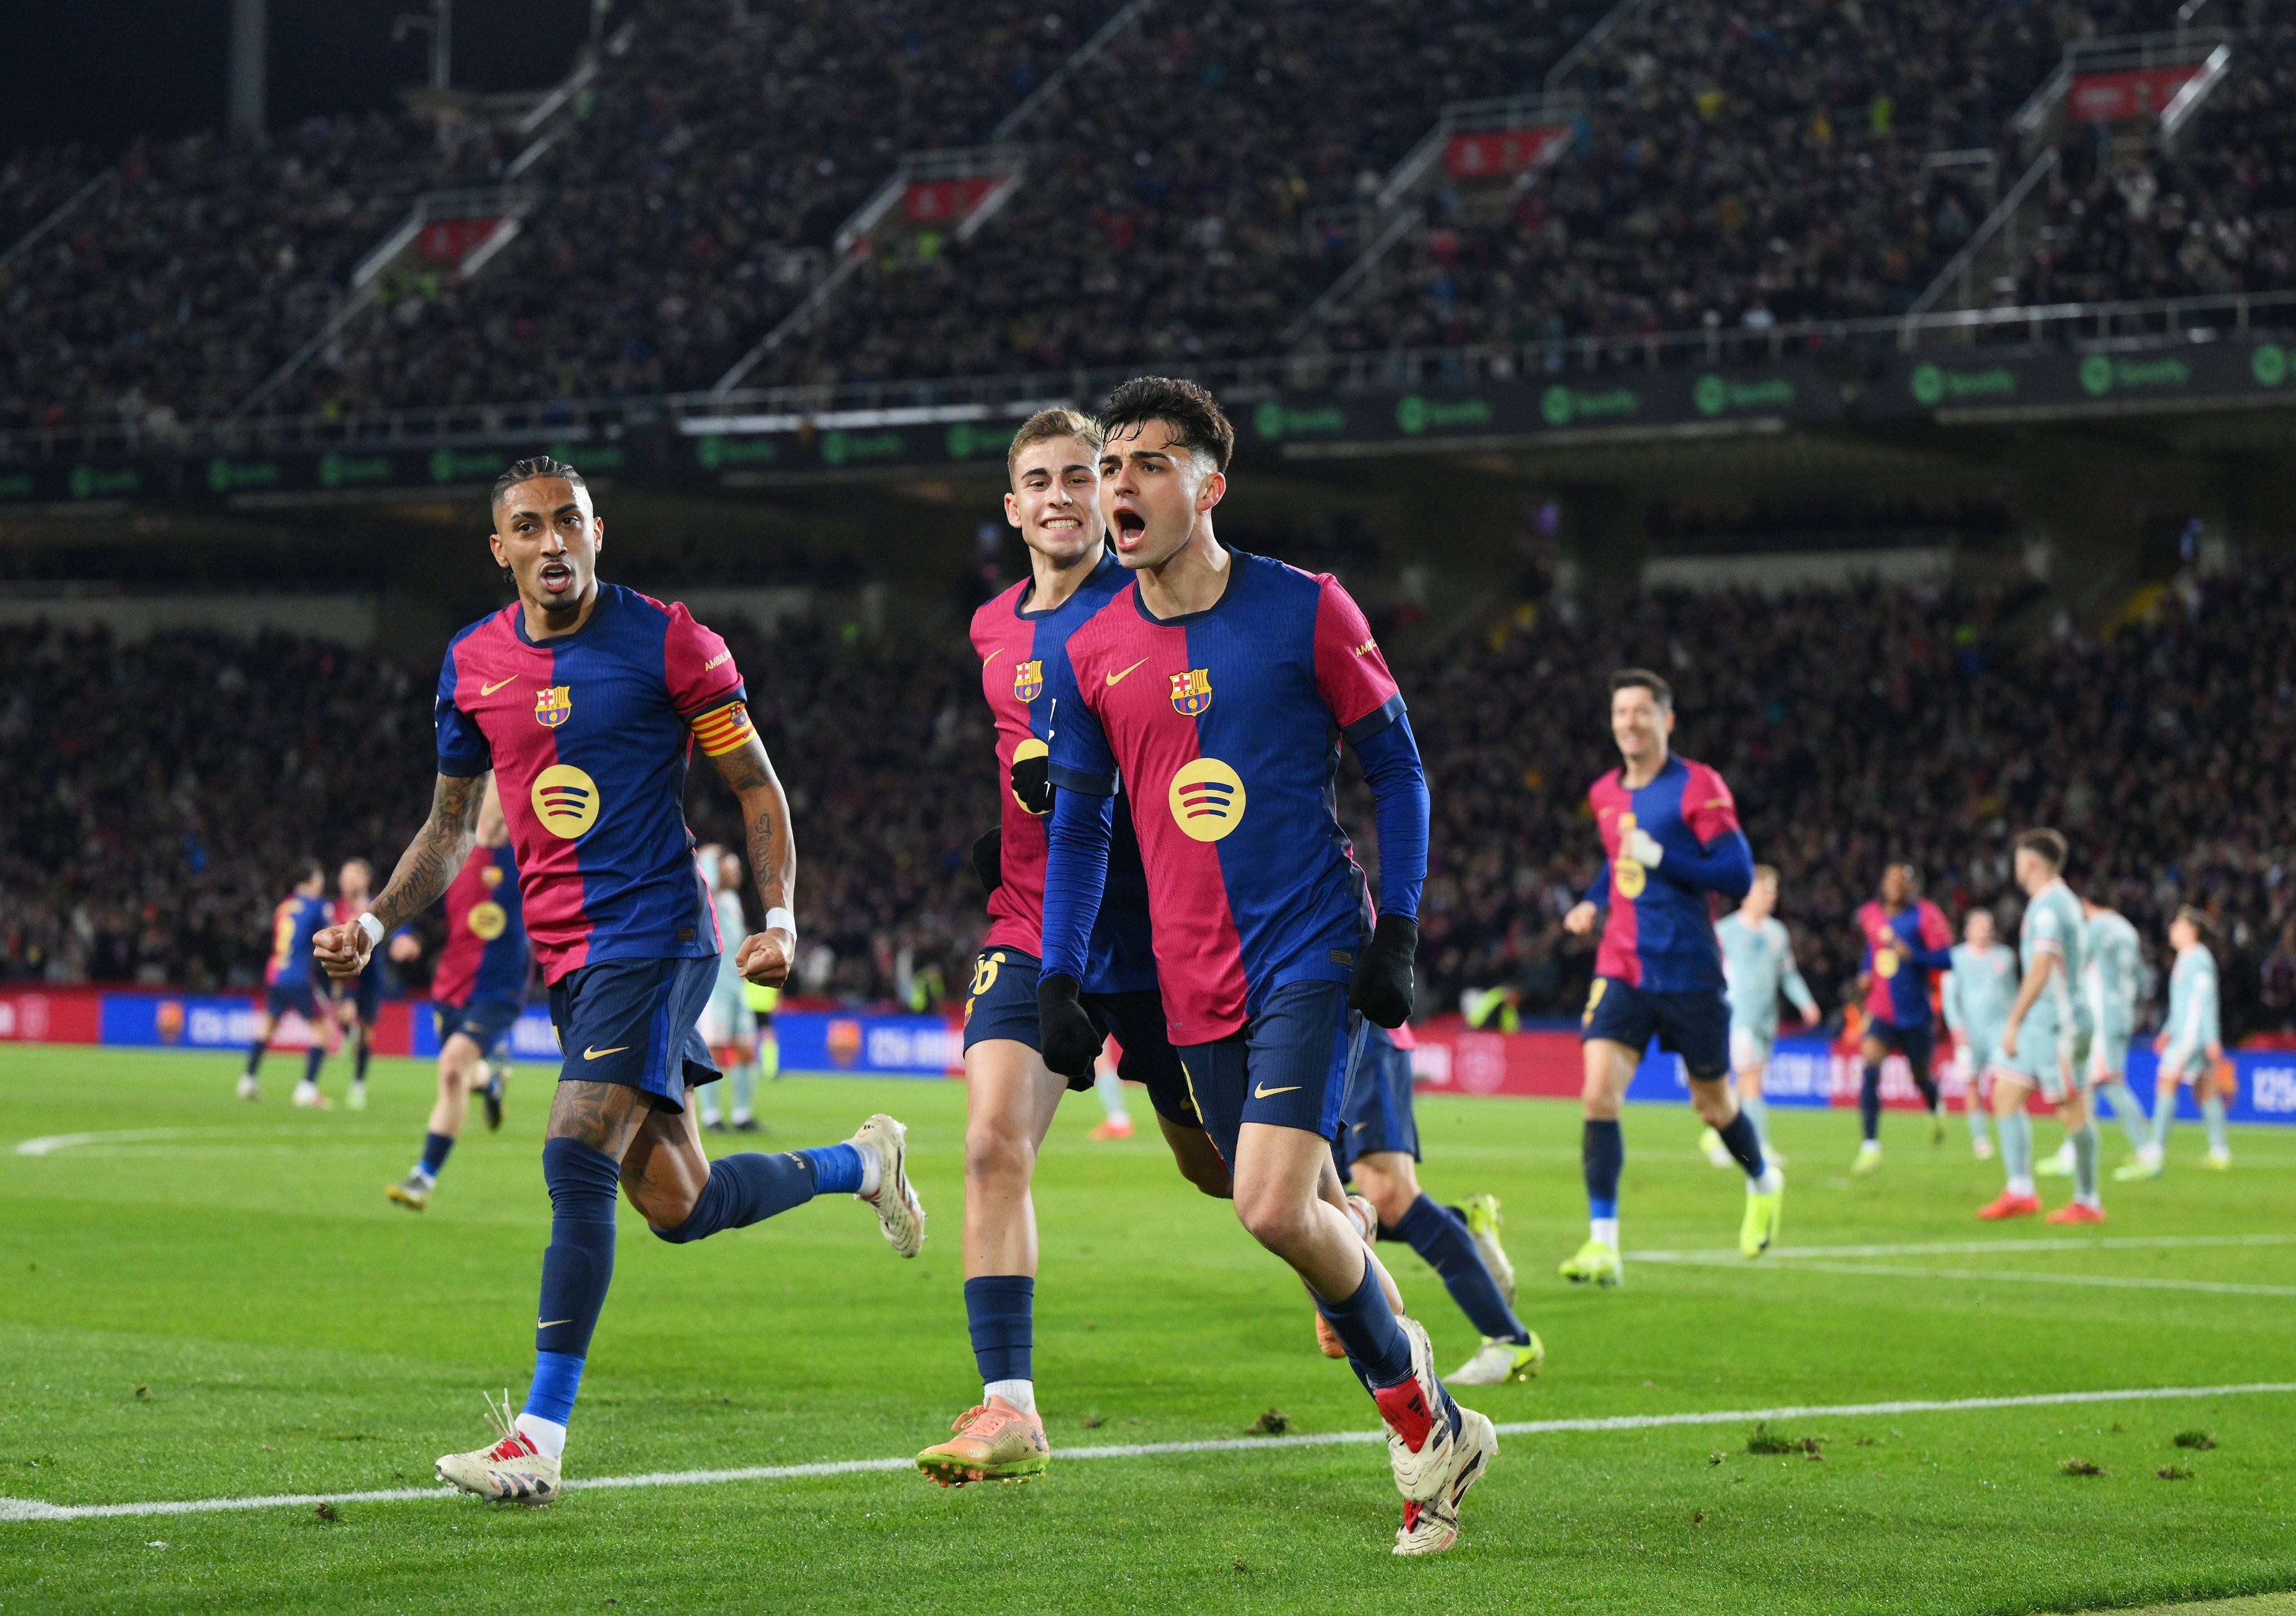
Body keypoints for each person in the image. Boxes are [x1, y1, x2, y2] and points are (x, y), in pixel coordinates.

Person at [314, 456, 925, 1504]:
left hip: (653, 933)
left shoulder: (670, 640)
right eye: (528, 526)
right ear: (499, 548)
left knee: (572, 1148)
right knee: (680, 1203)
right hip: (567, 956)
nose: (552, 540)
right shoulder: (471, 662)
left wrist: (779, 918)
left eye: (570, 520)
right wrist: (372, 924)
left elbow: (757, 787)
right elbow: (450, 827)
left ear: (600, 533)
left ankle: (538, 1436)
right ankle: (863, 1162)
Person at [1033, 378, 1493, 1557]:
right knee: (1313, 1216)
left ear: (1209, 486)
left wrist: (1397, 926)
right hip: (1190, 979)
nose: (1119, 483)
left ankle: (1425, 1425)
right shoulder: (1089, 651)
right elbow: (1077, 828)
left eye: (1147, 462)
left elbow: (1398, 769)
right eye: (1110, 463)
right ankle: (1426, 1401)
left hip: (1308, 946)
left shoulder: (1305, 608)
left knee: (1269, 1202)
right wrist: (1058, 975)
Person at [919, 409, 1389, 1490]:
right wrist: (1010, 833)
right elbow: (1032, 765)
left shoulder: (1146, 604)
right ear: (1011, 507)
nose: (1063, 497)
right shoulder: (991, 627)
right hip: (1037, 923)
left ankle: (1336, 1224)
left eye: (1080, 476)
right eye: (1040, 480)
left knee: (1222, 1173)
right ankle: (1009, 1404)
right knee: (992, 1143)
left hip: (1170, 934)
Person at [1561, 669, 1779, 1287]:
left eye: (1641, 711)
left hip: (1688, 970)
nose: (1629, 722)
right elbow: (1616, 864)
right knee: (1598, 1095)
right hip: (1622, 964)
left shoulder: (1697, 785)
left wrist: (1664, 858)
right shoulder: (1604, 793)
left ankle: (1763, 1182)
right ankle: (1603, 1244)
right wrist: (1593, 901)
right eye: (1620, 712)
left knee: (1714, 1106)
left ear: (1666, 720)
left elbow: (1736, 874)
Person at [1337, 1020, 1543, 1387]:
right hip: (1306, 1045)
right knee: (1302, 1199)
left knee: (1389, 1196)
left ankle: (1510, 1340)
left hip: (1359, 1030)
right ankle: (1461, 1221)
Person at [388, 775, 529, 1211]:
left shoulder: (531, 852)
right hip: (451, 986)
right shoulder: (454, 850)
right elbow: (414, 894)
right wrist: (402, 933)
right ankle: (491, 1083)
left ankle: (423, 1177)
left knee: (451, 1069)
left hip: (499, 990)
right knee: (464, 1073)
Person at [1978, 829, 2101, 1223]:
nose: (2014, 866)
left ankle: (2088, 1201)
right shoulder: (2053, 902)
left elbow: (2042, 966)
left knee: (2072, 1109)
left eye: (2018, 858)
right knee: (2005, 1094)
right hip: (2042, 1021)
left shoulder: (2050, 906)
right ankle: (2021, 1191)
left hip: (2060, 1024)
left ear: (2030, 862)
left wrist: (2014, 1019)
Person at [1712, 863, 1821, 1168]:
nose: (1771, 896)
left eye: (1773, 891)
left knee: (1745, 1085)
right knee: (1751, 1083)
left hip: (1767, 1020)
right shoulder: (1726, 931)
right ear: (1747, 891)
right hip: (1739, 1019)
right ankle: (1757, 1147)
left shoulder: (1777, 933)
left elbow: (1788, 974)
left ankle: (1724, 1142)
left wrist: (1806, 1003)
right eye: (1765, 890)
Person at [1847, 864, 1954, 1173]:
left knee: (1920, 1077)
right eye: (1891, 880)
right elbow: (1872, 948)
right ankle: (1870, 1147)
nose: (1896, 886)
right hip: (1881, 1012)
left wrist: (1914, 956)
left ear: (1912, 886)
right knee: (1870, 1069)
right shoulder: (1870, 914)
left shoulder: (1926, 915)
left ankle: (1934, 1105)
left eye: (1902, 881)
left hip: (1916, 1015)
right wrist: (1865, 972)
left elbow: (1947, 959)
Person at [2035, 896, 2150, 1175]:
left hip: (2100, 1016)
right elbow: (2141, 979)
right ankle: (2072, 1152)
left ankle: (2147, 1152)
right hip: (2122, 1013)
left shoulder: (2096, 928)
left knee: (2109, 1083)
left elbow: (2074, 963)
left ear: (2087, 905)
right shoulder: (2128, 931)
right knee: (2086, 1082)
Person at [2119, 906, 2228, 1178]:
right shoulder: (2188, 958)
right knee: (2205, 1090)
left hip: (2190, 1037)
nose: (2172, 930)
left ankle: (2154, 1150)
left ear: (2192, 931)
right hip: (2187, 1034)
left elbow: (2203, 1002)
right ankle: (2219, 1151)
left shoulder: (2197, 959)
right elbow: (2183, 1004)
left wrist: (2210, 1037)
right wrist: (2168, 1030)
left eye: (2177, 925)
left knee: (2166, 1083)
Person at [240, 858, 335, 1106]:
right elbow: (331, 934)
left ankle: (248, 1079)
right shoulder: (318, 905)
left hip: (275, 974)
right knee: (322, 1030)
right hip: (300, 976)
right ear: (311, 880)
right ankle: (307, 1089)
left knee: (268, 1025)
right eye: (320, 878)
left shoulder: (284, 906)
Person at [329, 858, 412, 1114]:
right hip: (346, 976)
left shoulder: (376, 905)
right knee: (345, 1015)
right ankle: (348, 1033)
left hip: (372, 975)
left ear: (365, 880)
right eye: (344, 876)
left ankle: (358, 1085)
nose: (346, 881)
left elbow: (398, 922)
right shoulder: (334, 909)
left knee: (367, 1032)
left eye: (352, 875)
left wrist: (402, 940)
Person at [694, 847, 763, 1133]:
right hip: (715, 990)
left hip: (737, 987)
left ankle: (742, 1115)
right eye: (731, 868)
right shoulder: (707, 897)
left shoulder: (733, 900)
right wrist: (714, 855)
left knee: (746, 1049)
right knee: (714, 1050)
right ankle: (711, 1116)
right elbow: (704, 868)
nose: (737, 873)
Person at [1941, 907, 2017, 1161]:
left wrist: (2016, 1025)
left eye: (1988, 926)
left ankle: (2007, 1134)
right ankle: (1980, 1138)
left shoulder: (2005, 957)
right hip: (1970, 1032)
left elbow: (2013, 993)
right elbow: (1950, 997)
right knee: (1972, 1083)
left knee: (2005, 1082)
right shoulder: (1955, 958)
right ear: (1968, 930)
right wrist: (1956, 1026)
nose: (1984, 931)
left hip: (2000, 1030)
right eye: (1979, 926)